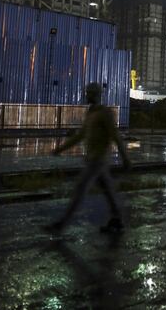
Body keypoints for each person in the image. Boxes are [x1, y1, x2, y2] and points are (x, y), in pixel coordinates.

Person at [45, 82, 131, 234]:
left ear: (96, 94)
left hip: (98, 160)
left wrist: (125, 158)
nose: (87, 95)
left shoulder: (105, 113)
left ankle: (62, 225)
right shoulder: (91, 113)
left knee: (80, 189)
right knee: (108, 190)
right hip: (95, 160)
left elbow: (115, 136)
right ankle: (117, 220)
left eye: (90, 92)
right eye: (87, 92)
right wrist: (60, 149)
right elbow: (81, 135)